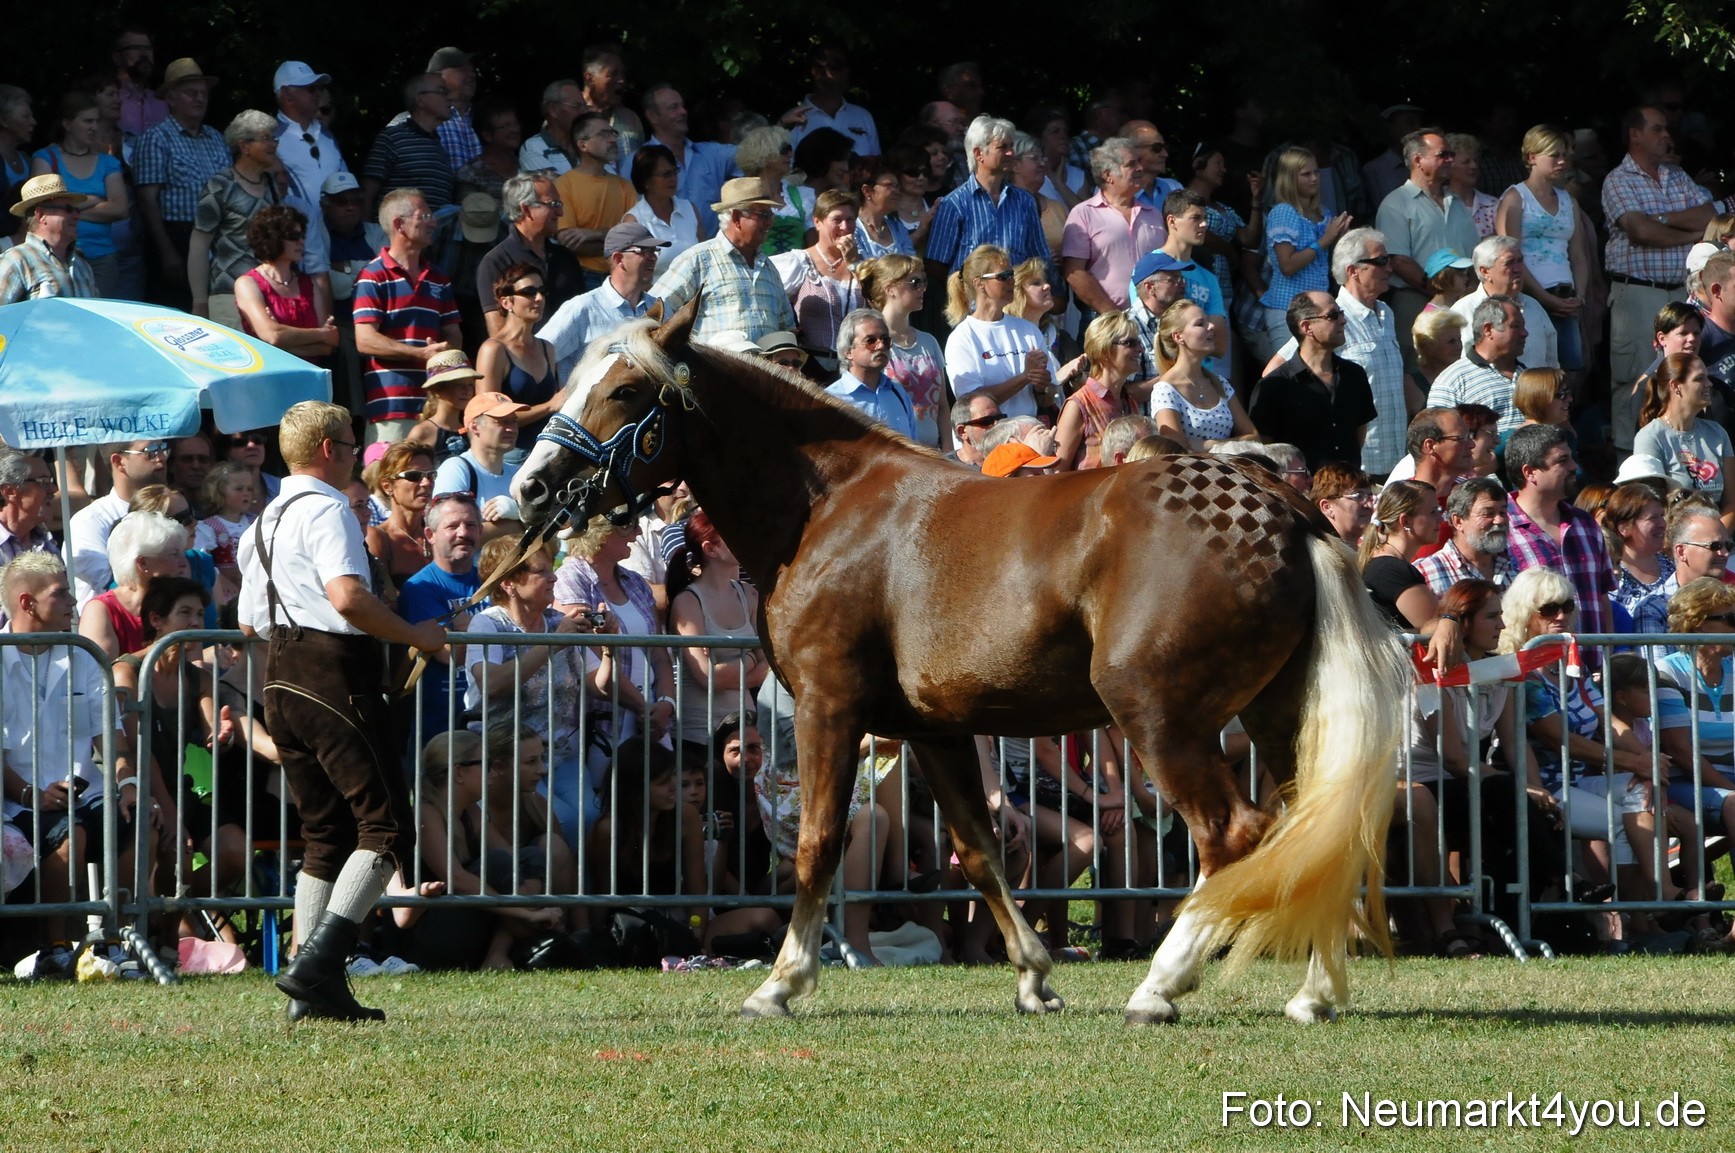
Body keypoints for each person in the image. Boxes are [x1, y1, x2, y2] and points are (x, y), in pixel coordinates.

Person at [0, 552, 137, 957]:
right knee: (69, 832)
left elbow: (111, 739)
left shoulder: (84, 656)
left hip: (86, 794)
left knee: (139, 820)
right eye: (61, 595)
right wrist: (31, 796)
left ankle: (119, 940)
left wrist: (129, 785)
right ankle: (54, 947)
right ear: (27, 603)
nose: (74, 604)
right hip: (14, 804)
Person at [1503, 566, 1656, 919]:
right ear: (1525, 614)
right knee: (1622, 821)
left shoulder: (1571, 665)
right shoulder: (1522, 671)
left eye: (1567, 607)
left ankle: (1661, 903)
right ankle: (1633, 916)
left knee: (1643, 795)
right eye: (1548, 609)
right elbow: (1556, 736)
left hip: (1577, 780)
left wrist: (1645, 760)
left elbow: (1610, 721)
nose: (1561, 616)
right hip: (1544, 785)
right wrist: (1632, 763)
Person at [464, 536, 600, 847]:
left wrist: (609, 646)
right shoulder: (487, 625)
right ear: (510, 583)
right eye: (542, 571)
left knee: (591, 818)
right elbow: (493, 683)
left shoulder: (558, 622)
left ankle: (585, 895)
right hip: (508, 761)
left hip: (561, 755)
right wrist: (554, 643)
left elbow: (599, 685)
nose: (554, 577)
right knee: (563, 821)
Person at [1604, 105, 1725, 438]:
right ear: (1635, 135)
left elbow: (1710, 218)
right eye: (1657, 129)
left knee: (1684, 372)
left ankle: (1679, 450)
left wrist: (1659, 219)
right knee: (1636, 377)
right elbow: (1640, 232)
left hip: (1680, 294)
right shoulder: (1617, 180)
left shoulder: (1677, 175)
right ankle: (1630, 458)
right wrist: (1686, 229)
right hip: (1639, 293)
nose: (1667, 135)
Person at [552, 517, 677, 837]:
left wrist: (665, 704)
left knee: (659, 813)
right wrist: (643, 708)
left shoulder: (635, 581)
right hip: (603, 722)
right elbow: (590, 660)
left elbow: (661, 655)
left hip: (652, 719)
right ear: (598, 531)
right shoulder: (569, 578)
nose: (637, 532)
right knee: (609, 814)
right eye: (627, 526)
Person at [353, 188, 463, 440]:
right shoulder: (372, 276)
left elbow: (453, 333)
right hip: (392, 406)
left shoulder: (439, 278)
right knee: (392, 477)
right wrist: (421, 354)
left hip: (436, 405)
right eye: (423, 217)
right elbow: (365, 339)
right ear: (399, 224)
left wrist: (445, 352)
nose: (433, 222)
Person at [668, 510, 770, 763]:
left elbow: (769, 663)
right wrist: (749, 660)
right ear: (710, 549)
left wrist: (742, 668)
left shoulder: (749, 595)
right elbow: (707, 678)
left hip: (744, 734)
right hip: (700, 737)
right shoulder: (688, 602)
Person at [1375, 128, 1480, 365]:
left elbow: (1472, 255)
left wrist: (1467, 293)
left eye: (1451, 154)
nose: (1450, 160)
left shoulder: (1457, 203)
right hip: (1415, 301)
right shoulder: (1395, 204)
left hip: (1461, 300)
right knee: (1418, 366)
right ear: (1418, 160)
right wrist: (1441, 293)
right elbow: (1398, 260)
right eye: (1443, 154)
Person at [649, 178, 795, 344]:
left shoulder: (769, 269)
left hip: (762, 369)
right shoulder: (699, 259)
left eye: (770, 214)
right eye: (763, 215)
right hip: (713, 369)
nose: (770, 221)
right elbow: (653, 311)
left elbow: (786, 328)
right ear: (736, 218)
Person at [1504, 423, 1613, 635]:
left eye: (1571, 458)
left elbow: (1602, 598)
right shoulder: (1501, 527)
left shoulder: (1586, 524)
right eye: (1562, 460)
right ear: (1530, 472)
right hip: (1531, 665)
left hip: (1592, 664)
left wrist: (1608, 655)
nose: (1575, 467)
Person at [1248, 290, 1377, 471]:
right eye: (1333, 315)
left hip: (1348, 491)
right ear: (1307, 327)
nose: (1343, 320)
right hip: (1298, 494)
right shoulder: (1275, 386)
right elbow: (1263, 448)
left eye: (1341, 313)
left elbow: (1359, 432)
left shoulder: (1354, 375)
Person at [1495, 124, 1588, 374]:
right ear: (1532, 157)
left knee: (1570, 372)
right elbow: (1509, 256)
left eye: (1564, 155)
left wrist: (1579, 296)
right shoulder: (1515, 198)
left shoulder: (1569, 201)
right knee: (1534, 372)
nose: (1562, 161)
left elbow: (1578, 255)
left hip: (1567, 297)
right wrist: (1545, 298)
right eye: (1554, 155)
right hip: (1529, 297)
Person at [134, 59, 227, 309]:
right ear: (171, 99)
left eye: (203, 94)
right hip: (177, 235)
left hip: (217, 235)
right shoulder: (156, 138)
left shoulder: (216, 137)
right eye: (191, 93)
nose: (199, 99)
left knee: (216, 311)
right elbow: (147, 200)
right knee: (178, 313)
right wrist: (166, 251)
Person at [394, 491, 482, 739]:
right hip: (441, 730)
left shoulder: (492, 582)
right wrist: (487, 630)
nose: (463, 533)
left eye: (471, 525)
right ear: (430, 535)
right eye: (452, 526)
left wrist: (466, 629)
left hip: (492, 722)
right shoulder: (420, 588)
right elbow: (448, 653)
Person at [924, 115, 1049, 287]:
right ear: (978, 153)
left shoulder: (1024, 201)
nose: (1011, 153)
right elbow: (936, 264)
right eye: (1002, 147)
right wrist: (965, 291)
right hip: (971, 307)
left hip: (1017, 305)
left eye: (1011, 146)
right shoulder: (954, 204)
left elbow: (1039, 258)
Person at [186, 109, 283, 326]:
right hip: (229, 296)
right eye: (266, 138)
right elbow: (199, 246)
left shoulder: (271, 185)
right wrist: (200, 301)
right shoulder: (219, 186)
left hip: (270, 293)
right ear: (244, 146)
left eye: (274, 138)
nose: (274, 144)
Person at [27, 92, 129, 296]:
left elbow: (120, 208)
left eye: (97, 121)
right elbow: (40, 206)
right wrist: (91, 200)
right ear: (67, 124)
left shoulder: (108, 162)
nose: (94, 127)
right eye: (87, 121)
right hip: (54, 257)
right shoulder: (45, 158)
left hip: (101, 258)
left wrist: (63, 210)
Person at [942, 244, 1057, 417]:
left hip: (1026, 435)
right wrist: (1025, 377)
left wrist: (1042, 387)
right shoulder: (962, 337)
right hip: (988, 438)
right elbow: (971, 405)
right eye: (1003, 276)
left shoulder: (1029, 330)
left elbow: (1047, 399)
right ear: (979, 283)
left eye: (1011, 274)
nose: (1012, 281)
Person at [542, 221, 666, 377]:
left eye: (654, 251)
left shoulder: (661, 309)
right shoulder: (582, 308)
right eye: (643, 251)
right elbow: (536, 358)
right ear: (618, 258)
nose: (653, 257)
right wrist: (554, 398)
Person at [1257, 146, 1351, 350]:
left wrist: (1341, 239)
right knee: (1292, 373)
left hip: (1319, 311)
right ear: (1289, 178)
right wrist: (1325, 240)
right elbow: (1287, 265)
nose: (1314, 178)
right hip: (1287, 310)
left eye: (1316, 172)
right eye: (1306, 174)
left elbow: (1325, 263)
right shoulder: (1284, 212)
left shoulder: (1322, 212)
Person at [1060, 136, 1161, 316]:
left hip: (1153, 317)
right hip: (1102, 318)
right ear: (1108, 175)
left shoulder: (1153, 214)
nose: (1140, 168)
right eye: (1131, 164)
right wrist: (1112, 314)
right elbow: (1074, 272)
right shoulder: (1084, 213)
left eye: (1139, 162)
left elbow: (1165, 264)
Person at [476, 172, 585, 339]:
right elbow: (498, 332)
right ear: (525, 209)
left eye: (559, 204)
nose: (561, 212)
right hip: (526, 362)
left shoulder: (566, 257)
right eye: (553, 204)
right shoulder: (496, 262)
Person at [858, 254, 948, 449]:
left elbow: (942, 406)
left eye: (923, 281)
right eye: (914, 282)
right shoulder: (872, 343)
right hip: (896, 454)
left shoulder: (928, 341)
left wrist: (949, 450)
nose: (922, 288)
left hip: (934, 454)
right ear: (889, 289)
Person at [1633, 353, 1735, 520]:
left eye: (1707, 377)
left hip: (1718, 539)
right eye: (1699, 379)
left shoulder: (1717, 433)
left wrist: (1712, 539)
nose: (1709, 384)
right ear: (1676, 386)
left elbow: (1731, 503)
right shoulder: (1650, 437)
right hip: (1673, 538)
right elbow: (1650, 506)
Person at [79, 510, 191, 659]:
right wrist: (160, 649)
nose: (184, 563)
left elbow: (191, 665)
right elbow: (102, 672)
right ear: (143, 562)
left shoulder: (182, 604)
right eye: (175, 554)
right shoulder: (101, 610)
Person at [68, 439, 168, 605]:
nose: (161, 457)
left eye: (163, 448)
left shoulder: (173, 509)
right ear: (119, 462)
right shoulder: (90, 520)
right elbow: (109, 585)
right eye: (150, 451)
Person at [233, 204, 338, 362]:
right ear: (272, 237)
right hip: (270, 377)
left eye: (302, 235)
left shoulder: (310, 285)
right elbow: (272, 335)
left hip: (309, 377)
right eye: (293, 236)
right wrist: (320, 334)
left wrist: (282, 340)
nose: (301, 241)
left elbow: (327, 346)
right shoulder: (247, 283)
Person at [1151, 300, 1258, 450]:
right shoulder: (1165, 390)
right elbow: (1175, 449)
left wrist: (1210, 445)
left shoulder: (1219, 383)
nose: (1211, 326)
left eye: (1208, 320)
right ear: (1178, 337)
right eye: (1200, 323)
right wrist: (1231, 444)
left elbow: (1253, 437)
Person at [476, 264, 563, 445]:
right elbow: (489, 415)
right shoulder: (494, 349)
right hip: (509, 454)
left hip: (546, 450)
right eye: (529, 292)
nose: (539, 298)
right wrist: (549, 406)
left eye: (542, 291)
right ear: (506, 302)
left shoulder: (547, 348)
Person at [773, 188, 864, 360]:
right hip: (815, 364)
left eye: (850, 220)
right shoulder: (800, 261)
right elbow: (771, 301)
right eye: (837, 220)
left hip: (859, 365)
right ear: (817, 222)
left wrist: (854, 264)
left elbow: (882, 307)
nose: (845, 227)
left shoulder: (865, 264)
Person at [1447, 234, 1559, 370]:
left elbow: (1551, 361)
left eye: (1520, 261)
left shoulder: (1533, 307)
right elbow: (1455, 367)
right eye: (1510, 263)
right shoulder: (1462, 312)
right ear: (1485, 271)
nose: (1518, 269)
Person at [640, 84, 738, 233]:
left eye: (682, 106)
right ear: (652, 116)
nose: (683, 111)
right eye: (674, 107)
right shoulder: (638, 161)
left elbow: (755, 153)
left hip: (714, 251)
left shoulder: (711, 153)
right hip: (668, 253)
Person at [1427, 295, 1529, 433]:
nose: (1525, 333)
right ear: (1488, 329)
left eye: (1523, 327)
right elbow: (1439, 436)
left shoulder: (1528, 376)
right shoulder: (1452, 381)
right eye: (1515, 326)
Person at [1054, 311, 1143, 469]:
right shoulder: (1079, 405)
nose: (1140, 349)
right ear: (1104, 351)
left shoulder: (1129, 402)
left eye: (1139, 342)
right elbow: (1057, 471)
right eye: (1131, 343)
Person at [554, 113, 635, 286]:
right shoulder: (564, 185)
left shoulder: (625, 186)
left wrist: (593, 234)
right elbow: (570, 243)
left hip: (620, 276)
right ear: (583, 145)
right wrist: (617, 242)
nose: (612, 139)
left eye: (613, 133)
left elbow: (635, 236)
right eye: (604, 134)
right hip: (582, 276)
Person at [433, 392, 528, 536]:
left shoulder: (519, 474)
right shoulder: (456, 469)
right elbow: (451, 536)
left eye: (514, 421)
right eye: (501, 421)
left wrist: (519, 512)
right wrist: (521, 523)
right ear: (475, 427)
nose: (512, 429)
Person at [360, 75, 456, 214]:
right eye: (442, 91)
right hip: (394, 234)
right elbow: (367, 193)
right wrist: (369, 232)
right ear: (420, 99)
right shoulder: (392, 138)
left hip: (430, 233)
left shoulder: (438, 145)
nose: (449, 98)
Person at [1356, 479, 1444, 629]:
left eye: (1439, 511)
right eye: (1432, 512)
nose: (1441, 519)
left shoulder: (1385, 565)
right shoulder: (1392, 570)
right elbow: (1437, 630)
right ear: (1406, 521)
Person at [1633, 502, 1727, 635]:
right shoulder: (1654, 608)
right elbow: (1654, 657)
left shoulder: (1730, 605)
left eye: (1727, 545)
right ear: (1681, 551)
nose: (1724, 553)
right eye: (1714, 546)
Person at [0, 175, 98, 302]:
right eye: (68, 209)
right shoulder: (16, 261)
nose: (76, 216)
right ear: (41, 215)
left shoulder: (81, 263)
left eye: (77, 210)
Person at [1414, 476, 1516, 595]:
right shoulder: (1428, 573)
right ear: (1458, 521)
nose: (1499, 520)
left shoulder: (1514, 566)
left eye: (1503, 513)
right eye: (1488, 514)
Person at [825, 308, 916, 438]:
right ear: (848, 351)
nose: (881, 346)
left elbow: (914, 448)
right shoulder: (831, 400)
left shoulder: (898, 394)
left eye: (885, 340)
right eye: (870, 341)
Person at [364, 442, 436, 590]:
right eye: (414, 476)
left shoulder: (437, 536)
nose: (426, 482)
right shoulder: (378, 538)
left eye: (431, 475)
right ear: (387, 486)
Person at [620, 144, 706, 264]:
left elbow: (706, 257)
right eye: (665, 174)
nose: (673, 178)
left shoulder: (690, 209)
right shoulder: (634, 221)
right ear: (646, 181)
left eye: (674, 172)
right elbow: (632, 271)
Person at [272, 61, 344, 204]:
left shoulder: (327, 135)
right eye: (311, 88)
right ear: (287, 94)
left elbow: (345, 183)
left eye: (319, 88)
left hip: (334, 226)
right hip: (293, 225)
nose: (318, 93)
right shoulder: (270, 138)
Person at [733, 126, 809, 257]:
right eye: (784, 150)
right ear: (765, 153)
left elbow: (814, 243)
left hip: (799, 274)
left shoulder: (802, 196)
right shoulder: (742, 194)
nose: (791, 154)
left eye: (790, 149)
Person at [791, 44, 879, 156]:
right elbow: (787, 170)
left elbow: (875, 166)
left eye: (846, 65)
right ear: (816, 72)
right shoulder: (794, 120)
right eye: (837, 65)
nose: (846, 71)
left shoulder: (862, 116)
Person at [1603, 483, 1672, 625]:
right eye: (1653, 518)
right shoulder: (1611, 576)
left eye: (1662, 516)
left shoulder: (1673, 569)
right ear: (1624, 527)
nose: (1662, 524)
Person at [406, 349, 480, 464]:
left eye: (470, 385)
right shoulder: (423, 432)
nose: (467, 391)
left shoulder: (473, 428)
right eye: (459, 385)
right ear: (436, 390)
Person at [1126, 250, 1191, 380]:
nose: (1182, 284)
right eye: (1174, 280)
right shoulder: (1126, 328)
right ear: (1150, 287)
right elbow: (1122, 393)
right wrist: (1177, 378)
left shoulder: (1183, 322)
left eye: (1182, 278)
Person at [1009, 131, 1067, 268]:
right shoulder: (1004, 206)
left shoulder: (1056, 208)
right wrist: (1040, 259)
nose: (1042, 163)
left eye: (1043, 158)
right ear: (1014, 165)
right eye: (1034, 158)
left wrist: (1062, 258)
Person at [579, 44, 645, 164]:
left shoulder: (630, 119)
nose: (621, 80)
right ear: (590, 78)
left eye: (622, 74)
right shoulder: (568, 116)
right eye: (613, 74)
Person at [193, 461, 258, 573]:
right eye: (239, 489)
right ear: (219, 492)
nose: (246, 493)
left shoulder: (256, 523)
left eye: (249, 489)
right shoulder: (208, 527)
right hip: (226, 587)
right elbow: (204, 563)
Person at [454, 95, 521, 201]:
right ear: (487, 136)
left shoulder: (526, 165)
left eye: (515, 123)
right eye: (506, 126)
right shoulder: (470, 174)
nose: (515, 130)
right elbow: (470, 214)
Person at [851, 156, 913, 259]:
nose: (897, 191)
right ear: (867, 190)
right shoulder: (852, 230)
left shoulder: (898, 229)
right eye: (890, 185)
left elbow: (914, 265)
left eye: (897, 186)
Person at [519, 79, 583, 176]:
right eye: (577, 106)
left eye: (585, 106)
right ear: (553, 110)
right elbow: (552, 189)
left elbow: (611, 180)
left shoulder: (588, 144)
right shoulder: (534, 148)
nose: (584, 112)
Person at [1444, 133, 1499, 239]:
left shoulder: (1492, 205)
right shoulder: (1436, 202)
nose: (1474, 166)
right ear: (1449, 167)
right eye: (1466, 162)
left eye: (1475, 161)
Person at [1310, 462, 1375, 546]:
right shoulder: (1319, 556)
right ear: (1327, 507)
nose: (1368, 505)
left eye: (1370, 497)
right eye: (1358, 496)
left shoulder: (1370, 553)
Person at [1413, 308, 1468, 391]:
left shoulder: (1466, 375)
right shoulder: (1414, 383)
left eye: (1459, 339)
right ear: (1427, 346)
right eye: (1451, 342)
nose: (1459, 346)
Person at [944, 394, 1003, 468]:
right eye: (987, 421)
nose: (997, 424)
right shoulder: (945, 468)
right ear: (962, 432)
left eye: (1000, 418)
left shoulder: (1014, 462)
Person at [1422, 247, 1475, 312]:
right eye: (1460, 274)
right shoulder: (1431, 315)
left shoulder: (1458, 305)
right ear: (1444, 277)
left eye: (1465, 273)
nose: (1466, 278)